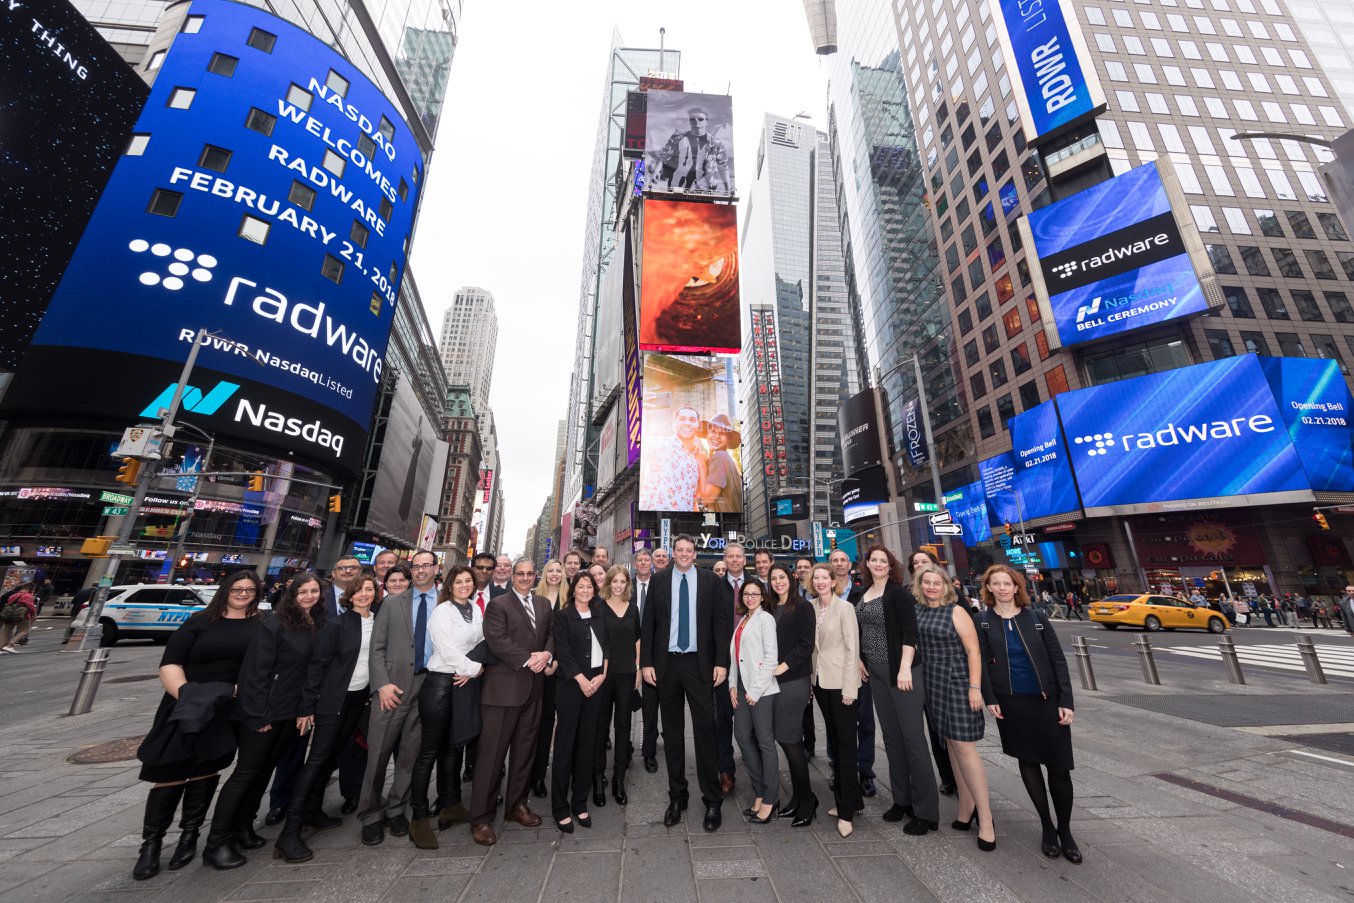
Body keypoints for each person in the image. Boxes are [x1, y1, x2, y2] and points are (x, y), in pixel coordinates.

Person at [130, 570, 263, 880]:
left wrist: (228, 694)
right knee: (169, 773)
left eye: (250, 589)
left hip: (226, 706)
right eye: (238, 588)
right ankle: (151, 846)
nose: (243, 594)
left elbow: (261, 666)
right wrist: (191, 697)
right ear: (226, 590)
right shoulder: (199, 622)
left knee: (206, 769)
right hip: (185, 704)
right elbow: (170, 662)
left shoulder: (261, 625)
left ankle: (190, 836)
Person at [203, 572, 325, 869]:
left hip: (289, 711)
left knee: (264, 770)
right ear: (292, 594)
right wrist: (259, 714)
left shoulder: (313, 623)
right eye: (303, 591)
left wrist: (304, 708)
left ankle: (243, 827)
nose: (309, 596)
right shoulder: (275, 623)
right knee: (246, 772)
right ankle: (216, 842)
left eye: (314, 591)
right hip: (264, 712)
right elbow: (255, 672)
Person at [975, 565, 1079, 863]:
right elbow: (981, 663)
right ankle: (1047, 826)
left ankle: (1065, 830)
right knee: (1029, 762)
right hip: (1011, 702)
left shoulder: (1036, 618)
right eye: (996, 583)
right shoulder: (983, 621)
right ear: (989, 588)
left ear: (1017, 586)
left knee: (1059, 767)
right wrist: (990, 697)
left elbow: (1057, 660)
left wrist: (1067, 701)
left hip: (1046, 699)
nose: (1003, 588)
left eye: (1007, 583)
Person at [273, 573, 379, 863]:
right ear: (349, 595)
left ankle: (312, 811)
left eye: (369, 589)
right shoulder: (336, 624)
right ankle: (289, 833)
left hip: (359, 699)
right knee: (318, 760)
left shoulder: (378, 622)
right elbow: (317, 666)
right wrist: (307, 707)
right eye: (358, 590)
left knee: (331, 756)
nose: (364, 594)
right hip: (333, 701)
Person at [640, 534, 731, 832]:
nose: (683, 554)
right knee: (674, 735)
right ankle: (677, 797)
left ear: (695, 553)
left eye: (688, 550)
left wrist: (721, 662)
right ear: (672, 553)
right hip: (667, 665)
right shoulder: (659, 581)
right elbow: (649, 623)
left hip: (700, 665)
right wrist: (647, 663)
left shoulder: (710, 582)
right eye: (678, 550)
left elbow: (721, 624)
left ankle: (713, 799)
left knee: (706, 731)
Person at [469, 558, 555, 846]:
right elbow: (497, 639)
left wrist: (548, 655)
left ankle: (516, 806)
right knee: (492, 756)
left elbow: (551, 635)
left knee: (524, 752)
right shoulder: (499, 604)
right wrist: (531, 658)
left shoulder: (543, 604)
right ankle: (481, 817)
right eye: (521, 574)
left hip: (534, 690)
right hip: (503, 691)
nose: (525, 578)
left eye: (531, 574)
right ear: (511, 576)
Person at [855, 545, 938, 835]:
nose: (878, 564)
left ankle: (926, 811)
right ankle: (902, 800)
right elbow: (857, 632)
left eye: (883, 560)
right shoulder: (861, 594)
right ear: (866, 563)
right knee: (891, 738)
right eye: (873, 559)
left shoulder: (898, 593)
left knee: (913, 739)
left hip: (901, 672)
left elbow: (909, 632)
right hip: (875, 674)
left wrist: (904, 668)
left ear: (891, 566)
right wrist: (859, 660)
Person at [913, 563, 995, 852]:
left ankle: (986, 821)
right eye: (927, 583)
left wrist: (975, 688)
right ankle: (965, 808)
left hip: (958, 682)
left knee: (964, 747)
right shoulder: (919, 609)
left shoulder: (956, 611)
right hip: (932, 683)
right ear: (920, 585)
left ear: (947, 586)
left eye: (937, 583)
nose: (932, 587)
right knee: (949, 745)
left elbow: (974, 651)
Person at [354, 550, 432, 846]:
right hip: (392, 689)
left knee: (409, 755)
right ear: (413, 570)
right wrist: (382, 685)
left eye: (428, 565)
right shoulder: (392, 602)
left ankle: (398, 807)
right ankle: (371, 814)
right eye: (418, 565)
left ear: (435, 569)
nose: (422, 570)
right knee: (377, 755)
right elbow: (377, 648)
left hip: (426, 687)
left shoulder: (444, 603)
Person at [407, 565, 485, 849]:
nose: (464, 585)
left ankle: (450, 804)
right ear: (449, 585)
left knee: (454, 747)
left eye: (469, 581)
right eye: (459, 581)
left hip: (462, 683)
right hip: (440, 684)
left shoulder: (475, 609)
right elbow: (447, 648)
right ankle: (418, 818)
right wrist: (475, 670)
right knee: (429, 751)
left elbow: (482, 642)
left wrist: (472, 669)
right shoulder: (442, 611)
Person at [551, 572, 609, 832]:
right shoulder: (563, 617)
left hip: (596, 687)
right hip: (571, 688)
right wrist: (582, 680)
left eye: (590, 587)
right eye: (581, 586)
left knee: (588, 745)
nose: (585, 590)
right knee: (565, 745)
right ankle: (560, 807)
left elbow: (607, 647)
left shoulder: (599, 615)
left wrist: (603, 674)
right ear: (573, 590)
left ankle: (579, 802)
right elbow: (562, 652)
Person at [808, 563, 862, 838]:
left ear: (833, 581)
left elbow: (853, 649)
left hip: (842, 685)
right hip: (820, 684)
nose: (819, 582)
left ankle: (846, 812)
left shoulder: (845, 608)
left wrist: (850, 688)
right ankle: (852, 798)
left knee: (845, 747)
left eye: (824, 578)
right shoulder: (812, 607)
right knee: (835, 742)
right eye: (815, 578)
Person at [765, 564, 816, 826]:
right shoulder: (770, 608)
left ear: (792, 579)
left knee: (791, 740)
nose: (777, 582)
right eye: (773, 578)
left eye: (782, 577)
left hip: (793, 680)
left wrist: (783, 665)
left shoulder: (803, 607)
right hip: (773, 682)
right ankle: (798, 797)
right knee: (786, 740)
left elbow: (807, 644)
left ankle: (807, 801)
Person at [906, 550, 958, 797]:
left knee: (953, 730)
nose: (918, 566)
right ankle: (947, 776)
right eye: (915, 563)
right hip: (919, 671)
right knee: (934, 727)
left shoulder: (954, 601)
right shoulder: (910, 596)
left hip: (949, 674)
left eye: (923, 562)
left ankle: (961, 777)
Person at [730, 579, 779, 823]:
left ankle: (770, 799)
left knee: (765, 742)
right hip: (741, 688)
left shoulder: (765, 619)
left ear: (762, 597)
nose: (750, 597)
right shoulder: (743, 621)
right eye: (747, 594)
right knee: (742, 736)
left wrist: (755, 690)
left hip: (761, 691)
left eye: (755, 594)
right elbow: (735, 657)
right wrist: (732, 685)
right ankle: (760, 791)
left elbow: (771, 657)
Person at [831, 548, 875, 799]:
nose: (838, 564)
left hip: (860, 666)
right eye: (834, 560)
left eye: (842, 560)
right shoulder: (823, 590)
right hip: (833, 667)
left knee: (865, 720)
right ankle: (837, 768)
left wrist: (859, 658)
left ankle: (865, 771)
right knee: (835, 722)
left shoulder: (862, 593)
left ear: (850, 565)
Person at [595, 566, 639, 806]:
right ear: (608, 583)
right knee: (600, 727)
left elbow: (638, 638)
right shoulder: (598, 607)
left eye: (623, 582)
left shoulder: (633, 608)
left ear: (626, 584)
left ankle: (619, 779)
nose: (619, 585)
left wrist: (639, 667)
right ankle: (598, 777)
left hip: (626, 673)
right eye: (615, 581)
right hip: (603, 675)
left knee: (623, 727)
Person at [530, 559, 569, 799]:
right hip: (536, 671)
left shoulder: (570, 598)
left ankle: (560, 773)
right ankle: (535, 775)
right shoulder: (534, 597)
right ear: (544, 574)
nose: (554, 574)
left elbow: (572, 638)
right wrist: (542, 661)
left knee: (560, 723)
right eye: (550, 571)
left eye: (558, 571)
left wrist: (555, 662)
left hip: (561, 671)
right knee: (539, 725)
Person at [712, 542, 747, 797]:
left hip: (751, 665)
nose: (734, 560)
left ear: (744, 560)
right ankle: (726, 771)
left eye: (738, 557)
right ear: (725, 560)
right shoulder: (715, 586)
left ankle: (757, 769)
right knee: (722, 721)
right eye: (730, 557)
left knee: (751, 724)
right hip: (723, 665)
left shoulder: (756, 585)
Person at [638, 406, 702, 511]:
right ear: (674, 424)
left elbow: (693, 498)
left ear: (697, 426)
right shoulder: (660, 444)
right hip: (655, 521)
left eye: (692, 420)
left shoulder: (695, 460)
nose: (687, 423)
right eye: (682, 419)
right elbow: (635, 449)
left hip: (684, 522)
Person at [631, 549, 660, 773]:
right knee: (623, 705)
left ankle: (649, 752)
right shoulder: (626, 585)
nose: (643, 563)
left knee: (651, 706)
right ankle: (623, 746)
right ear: (635, 563)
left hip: (655, 654)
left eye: (646, 560)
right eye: (639, 560)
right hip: (627, 652)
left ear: (651, 564)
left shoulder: (661, 584)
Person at [696, 413, 742, 512]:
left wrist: (701, 464)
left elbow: (707, 498)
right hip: (729, 523)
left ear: (727, 439)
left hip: (721, 524)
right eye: (713, 431)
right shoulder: (724, 458)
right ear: (707, 434)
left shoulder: (720, 457)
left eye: (722, 434)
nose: (717, 436)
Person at [0, 583, 37, 653]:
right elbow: (31, 606)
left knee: (6, 631)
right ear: (29, 589)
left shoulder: (13, 595)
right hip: (22, 615)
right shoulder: (27, 596)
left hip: (10, 614)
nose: (33, 592)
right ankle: (9, 645)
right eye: (33, 590)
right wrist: (34, 615)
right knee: (25, 630)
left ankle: (0, 647)